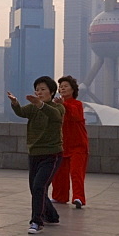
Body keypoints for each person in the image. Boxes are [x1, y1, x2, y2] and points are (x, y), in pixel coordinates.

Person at [8, 76, 65, 234]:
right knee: (36, 188)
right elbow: (20, 112)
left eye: (43, 89)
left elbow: (55, 116)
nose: (39, 92)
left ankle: (37, 222)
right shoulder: (33, 107)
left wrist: (40, 104)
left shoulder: (58, 108)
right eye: (37, 89)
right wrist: (15, 103)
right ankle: (52, 216)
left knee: (39, 186)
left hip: (52, 154)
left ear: (52, 92)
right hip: (34, 153)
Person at [51, 75, 89, 209]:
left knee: (76, 173)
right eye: (60, 87)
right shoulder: (56, 105)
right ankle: (59, 196)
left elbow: (75, 115)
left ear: (73, 89)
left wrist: (63, 105)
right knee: (59, 173)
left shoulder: (77, 104)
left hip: (78, 145)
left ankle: (78, 197)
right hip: (62, 145)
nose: (62, 89)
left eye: (65, 86)